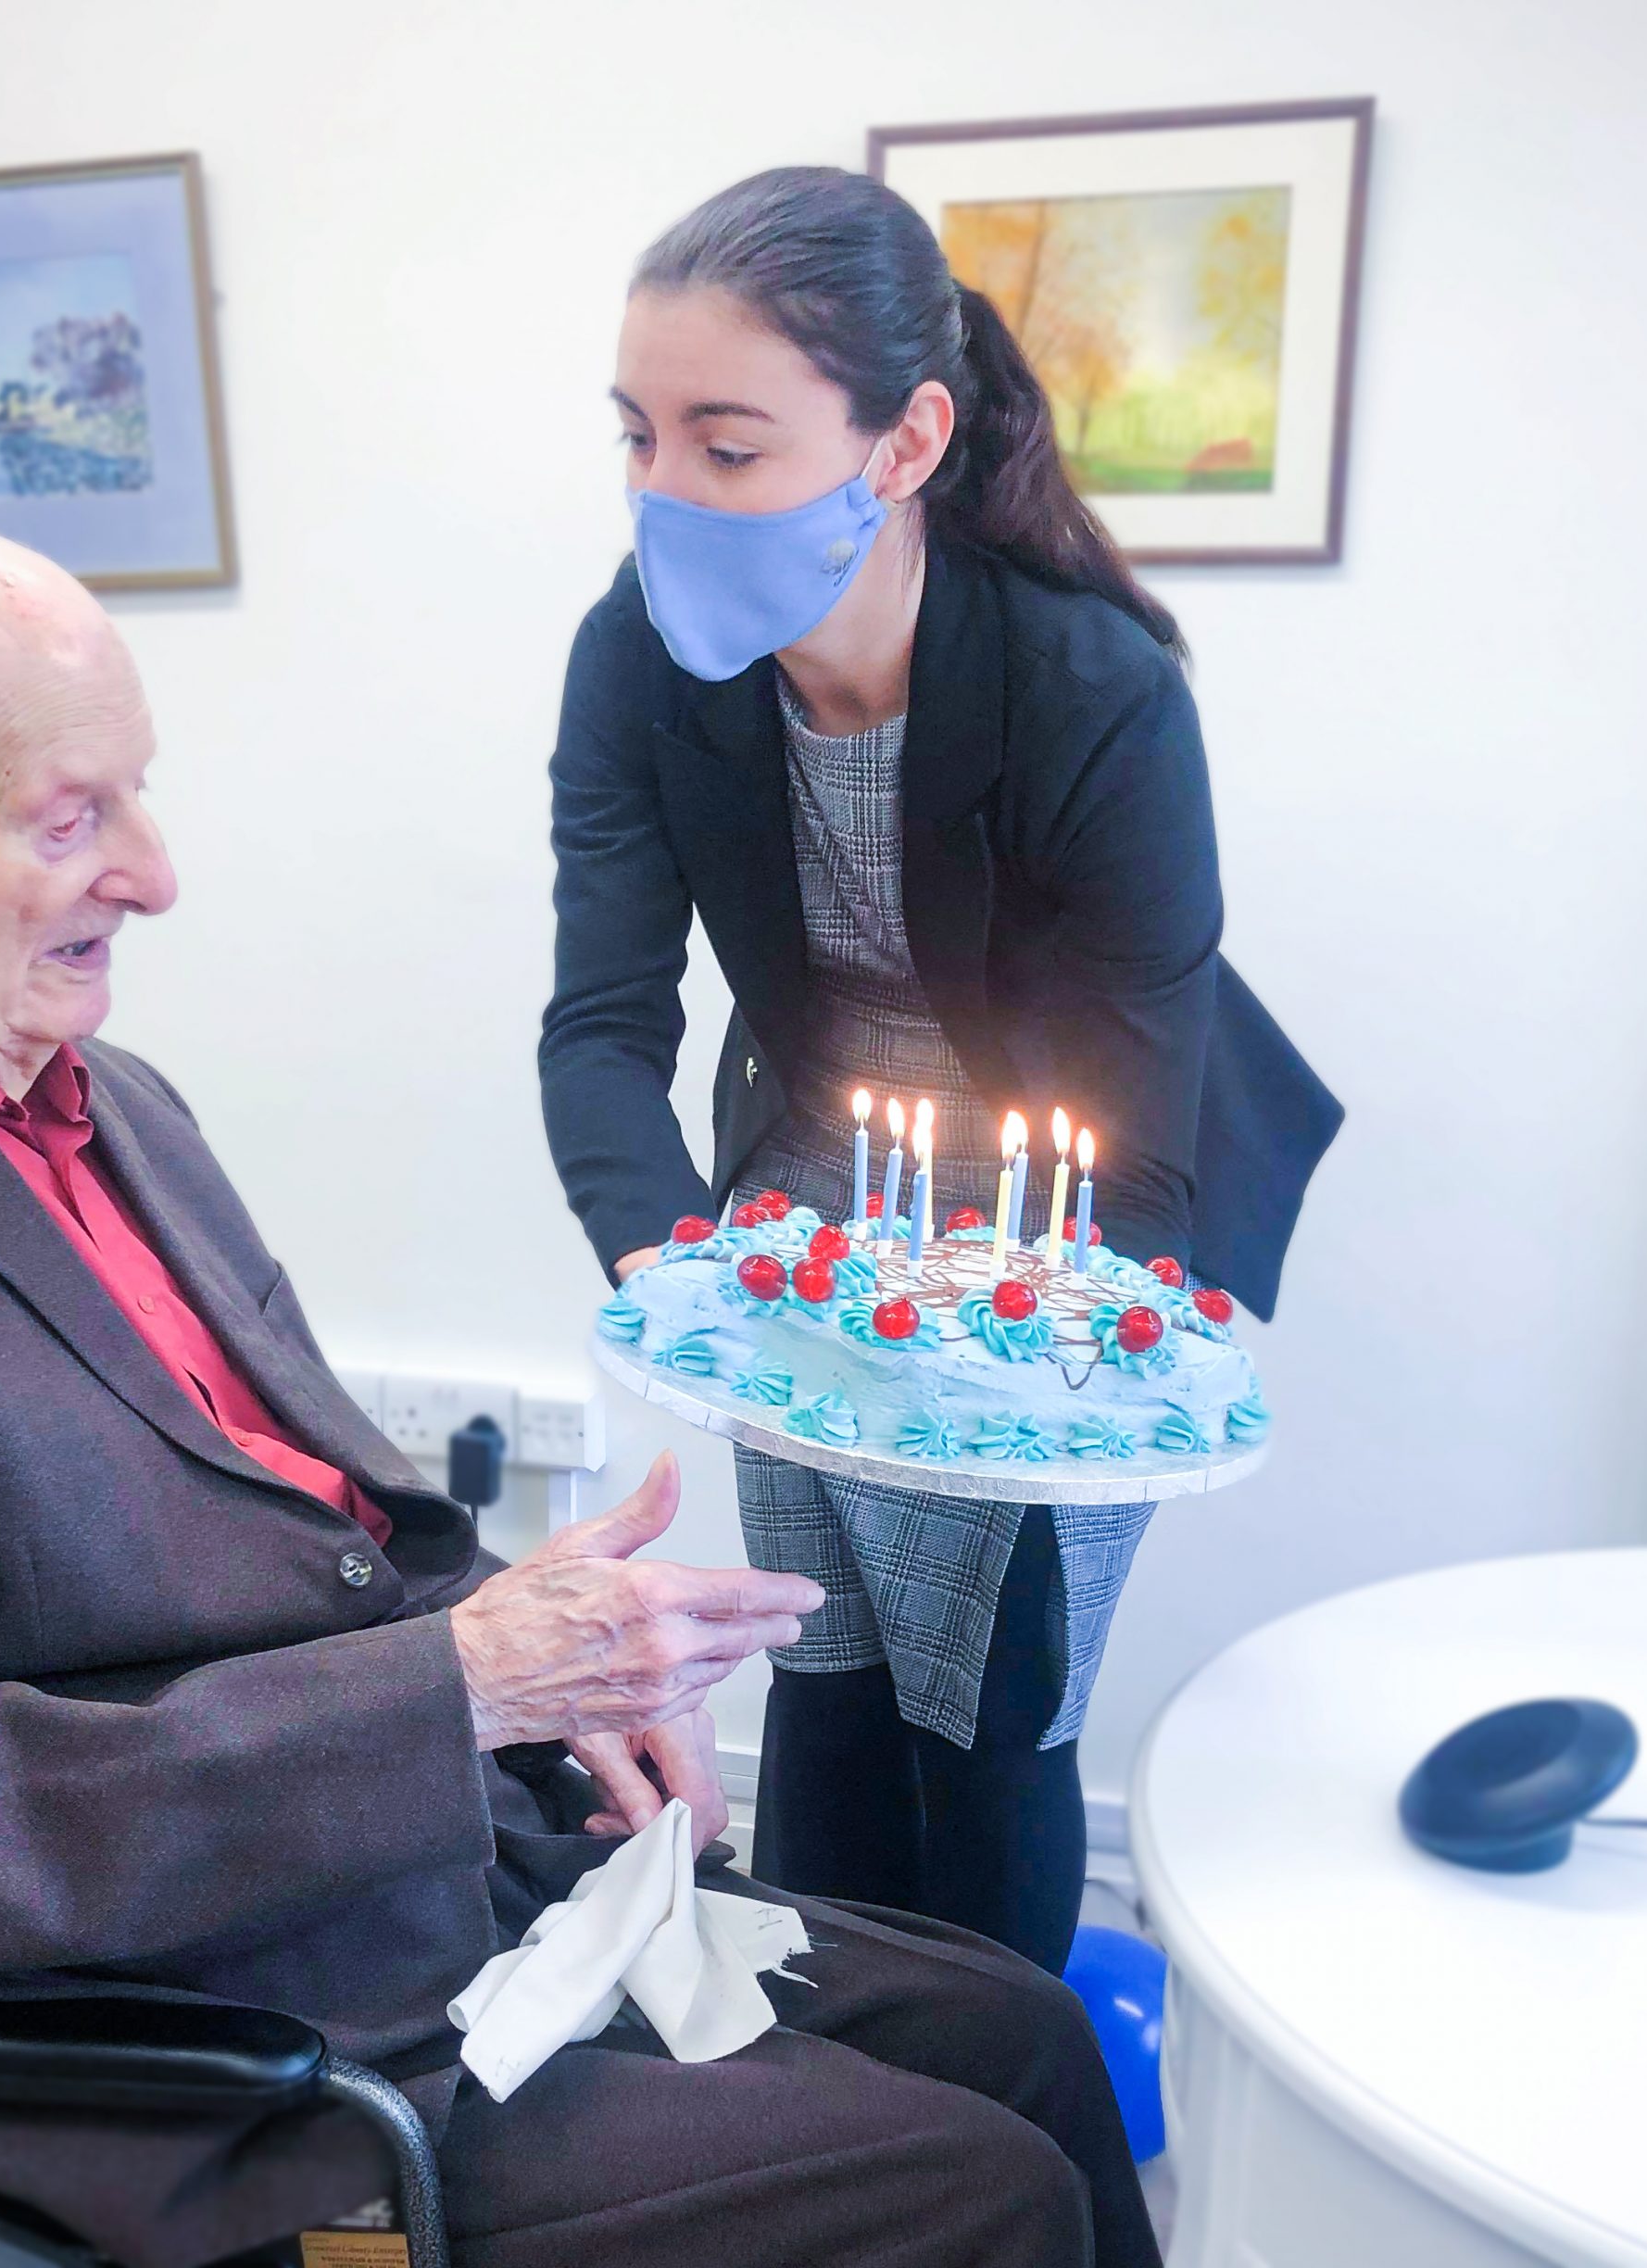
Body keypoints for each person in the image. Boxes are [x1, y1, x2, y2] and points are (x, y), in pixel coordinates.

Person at [0, 518, 1163, 2268]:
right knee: (984, 2202)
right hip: (195, 2051)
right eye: (72, 816)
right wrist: (458, 1689)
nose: (153, 873)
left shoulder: (108, 1099)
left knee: (1028, 2034)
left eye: (136, 795)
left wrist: (546, 1657)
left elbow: (322, 1529)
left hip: (426, 1873)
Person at [539, 169, 1342, 1973]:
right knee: (820, 1675)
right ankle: (850, 2115)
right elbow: (600, 1024)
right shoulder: (640, 659)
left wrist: (1000, 1358)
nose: (663, 493)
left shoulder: (1087, 691)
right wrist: (683, 1270)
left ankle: (997, 2125)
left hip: (1079, 1240)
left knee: (980, 1708)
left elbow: (1128, 1135)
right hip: (810, 1209)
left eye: (726, 446)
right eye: (637, 436)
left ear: (901, 442)